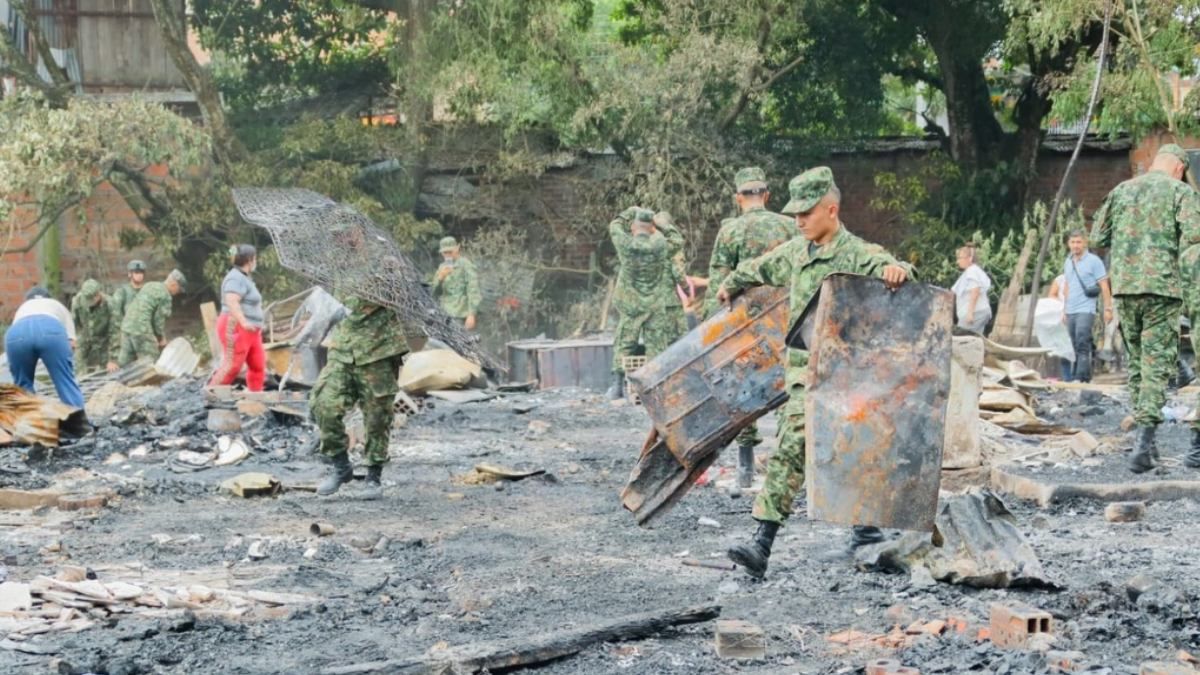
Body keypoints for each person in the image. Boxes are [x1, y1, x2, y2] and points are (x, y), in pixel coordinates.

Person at [715, 166, 912, 578]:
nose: (798, 221)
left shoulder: (854, 252)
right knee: (794, 445)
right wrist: (729, 283)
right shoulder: (794, 252)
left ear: (831, 210)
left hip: (847, 373)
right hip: (806, 373)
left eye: (806, 213)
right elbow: (755, 268)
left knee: (851, 446)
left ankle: (865, 533)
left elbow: (890, 266)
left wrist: (898, 271)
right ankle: (762, 543)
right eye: (795, 214)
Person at [1091, 144, 1200, 474]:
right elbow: (1194, 237)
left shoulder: (1122, 189)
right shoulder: (1180, 192)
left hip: (1125, 290)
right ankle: (1143, 443)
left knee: (1137, 365)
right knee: (1155, 365)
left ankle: (1147, 443)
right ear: (1179, 169)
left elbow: (1098, 234)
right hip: (1161, 290)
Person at [706, 166, 794, 488]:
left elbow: (719, 284)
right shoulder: (790, 226)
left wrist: (708, 331)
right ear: (767, 196)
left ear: (738, 198)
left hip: (746, 322)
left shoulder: (729, 231)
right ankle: (789, 469)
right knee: (788, 387)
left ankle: (745, 471)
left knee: (743, 388)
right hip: (785, 318)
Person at [311, 224, 410, 499]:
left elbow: (399, 296)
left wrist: (358, 298)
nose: (341, 239)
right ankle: (340, 467)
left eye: (345, 233)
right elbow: (329, 299)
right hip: (343, 349)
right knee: (324, 404)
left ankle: (373, 476)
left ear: (358, 232)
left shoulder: (385, 260)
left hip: (377, 349)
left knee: (377, 415)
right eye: (336, 235)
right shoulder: (336, 265)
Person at [606, 207, 687, 400]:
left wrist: (630, 211)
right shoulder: (659, 244)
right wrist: (662, 225)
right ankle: (656, 390)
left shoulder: (626, 245)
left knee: (625, 341)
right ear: (652, 228)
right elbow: (677, 241)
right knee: (656, 345)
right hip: (655, 303)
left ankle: (617, 387)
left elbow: (614, 225)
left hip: (631, 303)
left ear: (633, 227)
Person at [6, 287, 85, 409]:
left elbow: (21, 347)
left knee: (22, 386)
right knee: (65, 381)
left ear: (27, 300)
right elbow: (71, 344)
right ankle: (79, 425)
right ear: (49, 298)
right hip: (50, 329)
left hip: (16, 334)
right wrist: (61, 365)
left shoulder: (22, 309)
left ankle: (29, 424)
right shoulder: (57, 306)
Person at [209, 245, 267, 392]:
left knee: (258, 365)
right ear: (249, 260)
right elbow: (231, 301)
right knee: (232, 366)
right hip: (236, 325)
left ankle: (256, 400)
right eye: (255, 258)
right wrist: (244, 321)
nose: (256, 261)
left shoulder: (245, 278)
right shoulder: (235, 277)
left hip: (252, 330)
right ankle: (211, 394)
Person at [1060, 229, 1113, 383]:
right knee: (1072, 343)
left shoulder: (1094, 261)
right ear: (1068, 244)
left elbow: (1104, 286)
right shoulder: (1068, 261)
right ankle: (1081, 375)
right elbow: (1067, 286)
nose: (1076, 245)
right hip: (1070, 309)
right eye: (1073, 242)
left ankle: (1080, 377)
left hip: (1086, 309)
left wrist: (1108, 309)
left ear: (1085, 243)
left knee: (1082, 341)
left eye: (1079, 242)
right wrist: (1064, 309)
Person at [117, 269, 185, 367]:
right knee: (151, 363)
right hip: (141, 329)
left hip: (126, 327)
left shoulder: (150, 285)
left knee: (124, 365)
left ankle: (117, 382)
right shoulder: (165, 296)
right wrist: (161, 338)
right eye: (179, 289)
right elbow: (158, 321)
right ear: (174, 284)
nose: (177, 293)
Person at [431, 236, 481, 331]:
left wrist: (471, 314)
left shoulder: (466, 265)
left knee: (461, 342)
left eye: (450, 252)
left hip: (461, 315)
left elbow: (473, 290)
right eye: (445, 253)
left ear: (457, 248)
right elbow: (434, 293)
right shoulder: (442, 267)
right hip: (444, 314)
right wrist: (440, 278)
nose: (448, 255)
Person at [107, 260, 146, 373]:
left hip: (144, 339)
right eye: (136, 272)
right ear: (130, 274)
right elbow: (115, 322)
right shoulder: (122, 292)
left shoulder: (147, 291)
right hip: (126, 339)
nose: (139, 275)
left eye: (141, 272)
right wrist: (113, 356)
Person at [70, 278, 113, 373]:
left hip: (104, 341)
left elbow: (115, 332)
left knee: (104, 372)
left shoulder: (110, 305)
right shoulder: (78, 301)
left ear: (98, 295)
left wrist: (113, 358)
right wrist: (72, 338)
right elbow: (73, 323)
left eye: (91, 299)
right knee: (78, 367)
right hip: (84, 338)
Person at [950, 245, 992, 333]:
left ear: (970, 258)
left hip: (975, 313)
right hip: (980, 312)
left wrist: (970, 313)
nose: (957, 261)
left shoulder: (971, 271)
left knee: (960, 338)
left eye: (960, 258)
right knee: (973, 341)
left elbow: (975, 290)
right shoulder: (972, 271)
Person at [1046, 274, 1073, 380]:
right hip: (1062, 317)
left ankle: (1079, 378)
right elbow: (1051, 295)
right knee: (1064, 350)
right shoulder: (1061, 279)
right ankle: (1067, 379)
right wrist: (1062, 307)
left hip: (1080, 314)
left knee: (1079, 347)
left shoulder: (1086, 276)